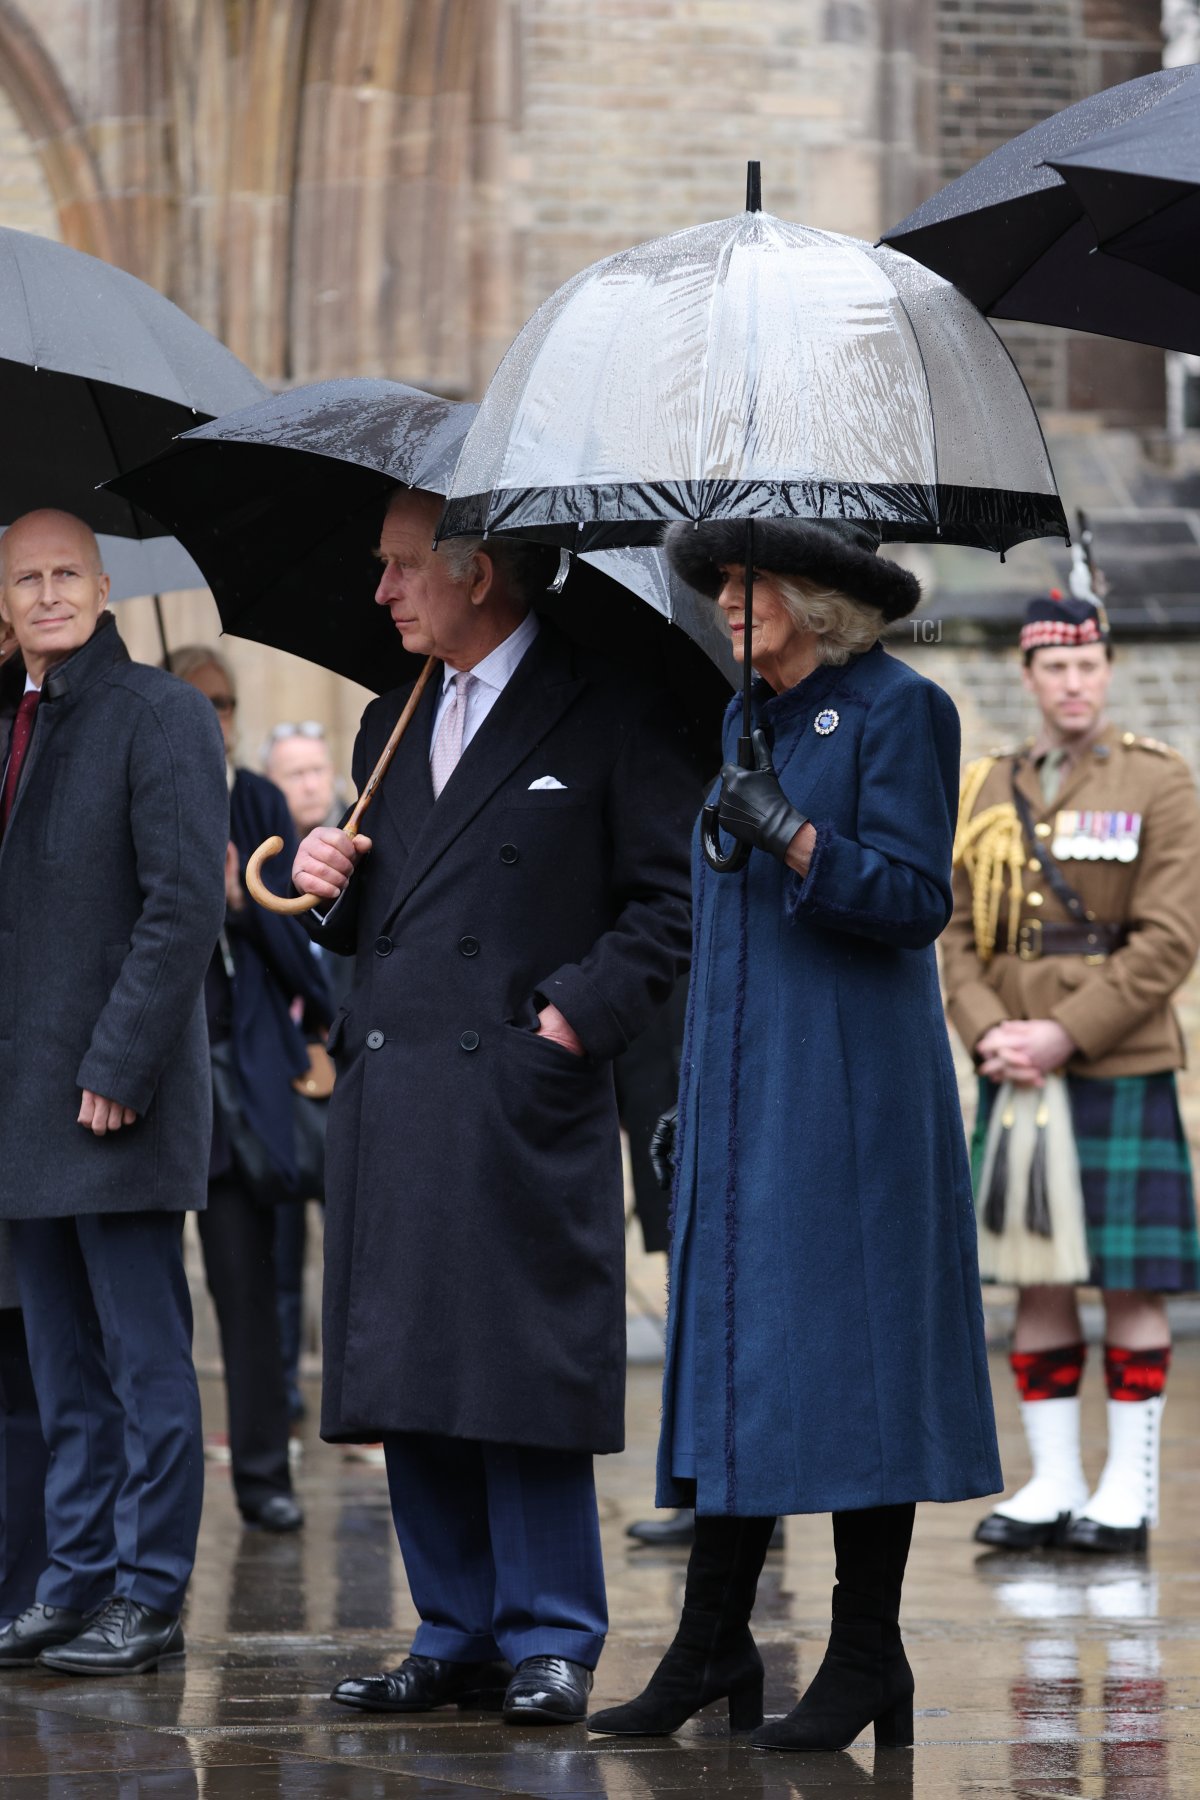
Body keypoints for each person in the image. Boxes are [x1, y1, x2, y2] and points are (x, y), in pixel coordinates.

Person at [588, 518, 1001, 1753]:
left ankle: (867, 1653)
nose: (725, 602)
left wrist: (800, 835)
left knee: (856, 1371)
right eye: (718, 584)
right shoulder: (743, 721)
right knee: (735, 1361)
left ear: (817, 599)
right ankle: (712, 1645)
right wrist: (691, 1101)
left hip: (853, 1103)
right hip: (745, 1098)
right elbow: (728, 939)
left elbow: (919, 900)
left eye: (747, 583)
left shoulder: (899, 708)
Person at [291, 486, 698, 1725]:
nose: (382, 592)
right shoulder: (384, 722)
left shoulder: (607, 705)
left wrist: (572, 1016)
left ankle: (553, 1633)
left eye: (403, 567)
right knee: (411, 1370)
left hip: (521, 1091)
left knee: (519, 1370)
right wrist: (326, 885)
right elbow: (382, 915)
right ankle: (453, 1625)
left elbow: (675, 901)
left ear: (478, 573)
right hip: (398, 1089)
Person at [0, 510, 227, 1674]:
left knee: (143, 1363)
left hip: (113, 1098)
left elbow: (184, 902)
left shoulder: (163, 713)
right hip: (25, 1107)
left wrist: (119, 1065)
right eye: (23, 579)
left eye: (63, 576)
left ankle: (151, 1590)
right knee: (61, 1370)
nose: (45, 596)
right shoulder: (15, 721)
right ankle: (74, 1578)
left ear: (100, 586)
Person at [942, 592, 1200, 1555]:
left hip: (1114, 1060)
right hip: (1014, 1065)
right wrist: (990, 1035)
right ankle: (1052, 1482)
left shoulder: (1159, 781)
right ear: (1029, 675)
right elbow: (958, 932)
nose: (1074, 682)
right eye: (1056, 667)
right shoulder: (987, 786)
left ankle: (1125, 1492)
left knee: (1129, 1282)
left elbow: (1169, 941)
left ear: (1108, 668)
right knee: (1033, 1279)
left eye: (1089, 665)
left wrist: (1061, 1033)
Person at [171, 648, 331, 1533]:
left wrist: (240, 899)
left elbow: (296, 949)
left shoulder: (259, 804)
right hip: (158, 1075)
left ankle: (264, 1471)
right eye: (197, 702)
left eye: (226, 703)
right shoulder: (143, 782)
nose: (215, 717)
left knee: (252, 1284)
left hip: (242, 1079)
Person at [262, 720, 353, 1426]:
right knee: (280, 1255)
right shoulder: (257, 869)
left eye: (317, 770)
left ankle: (352, 1394)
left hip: (351, 1071)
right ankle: (284, 1395)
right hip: (284, 1081)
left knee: (354, 1248)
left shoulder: (359, 850)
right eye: (293, 773)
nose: (310, 784)